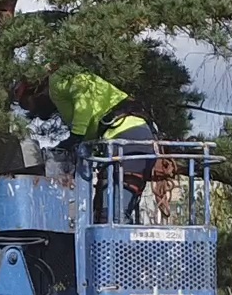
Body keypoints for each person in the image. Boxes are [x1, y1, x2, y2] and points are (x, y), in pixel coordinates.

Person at [47, 68, 158, 222]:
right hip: (128, 140)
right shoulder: (82, 76)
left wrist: (75, 136)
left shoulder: (62, 78)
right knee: (102, 213)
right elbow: (91, 129)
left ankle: (119, 244)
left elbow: (83, 104)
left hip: (127, 140)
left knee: (113, 216)